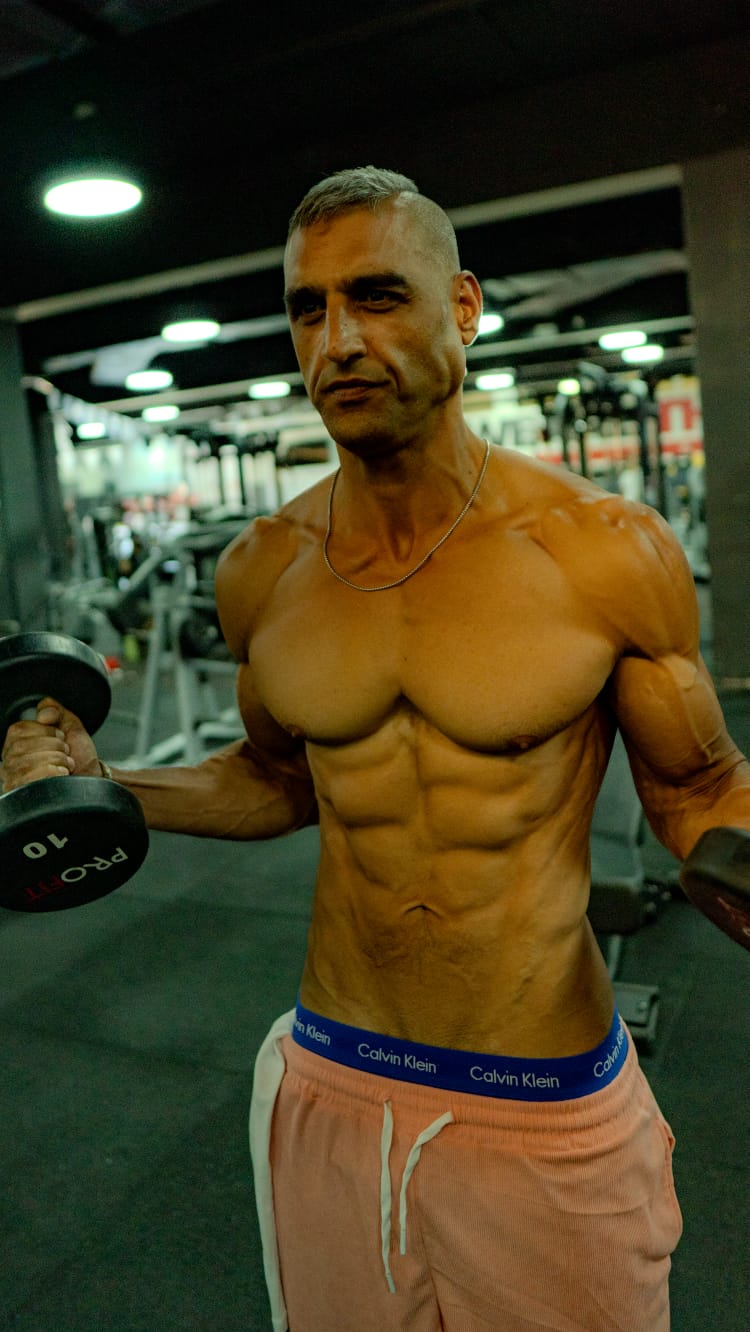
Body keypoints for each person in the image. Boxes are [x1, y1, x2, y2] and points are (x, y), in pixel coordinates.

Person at [3, 166, 750, 1332]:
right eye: (308, 309)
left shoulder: (602, 549)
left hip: (538, 1096)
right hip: (333, 1076)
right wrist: (101, 784)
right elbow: (275, 778)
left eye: (379, 296)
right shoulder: (264, 568)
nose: (339, 340)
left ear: (464, 307)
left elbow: (701, 786)